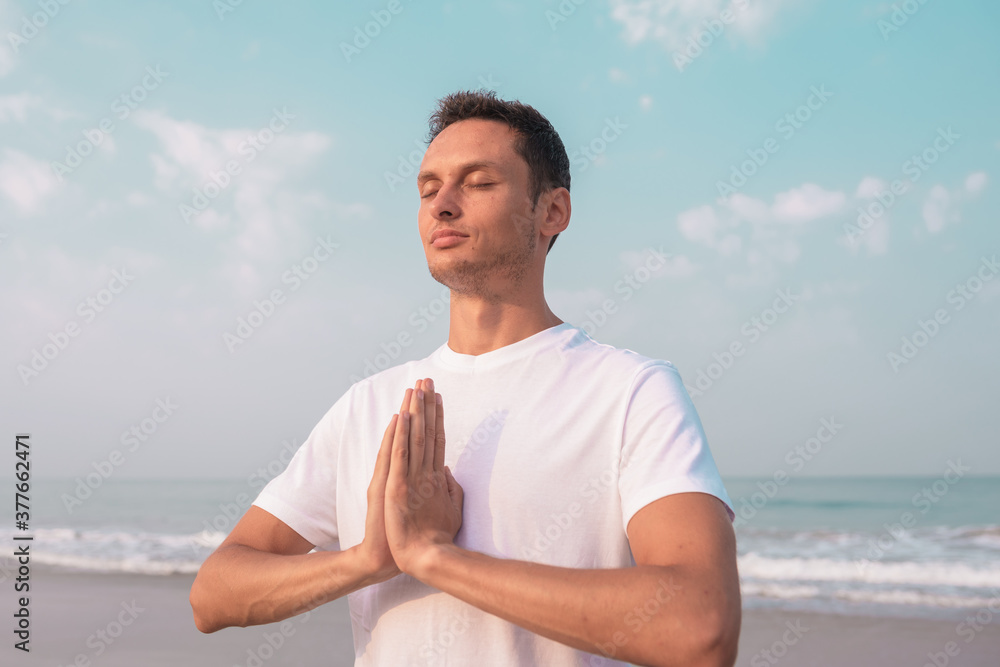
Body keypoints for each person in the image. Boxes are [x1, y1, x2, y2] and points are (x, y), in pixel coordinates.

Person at [191, 89, 741, 667]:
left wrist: (434, 558)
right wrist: (368, 559)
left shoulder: (631, 390)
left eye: (478, 183)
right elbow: (214, 595)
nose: (442, 205)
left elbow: (698, 626)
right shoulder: (370, 404)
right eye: (428, 188)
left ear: (552, 211)